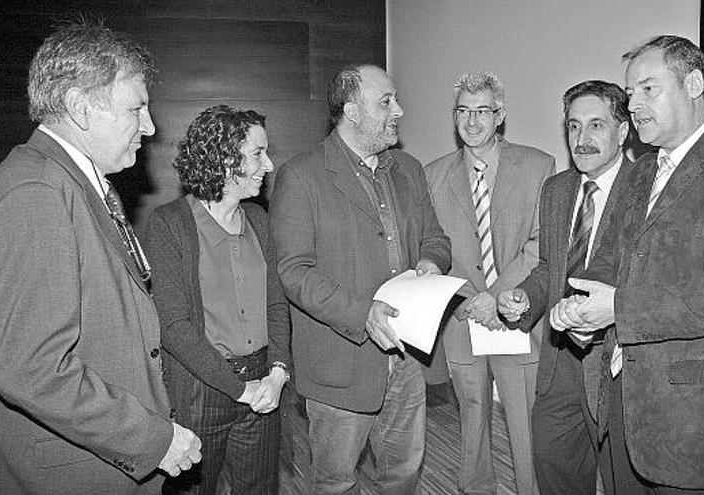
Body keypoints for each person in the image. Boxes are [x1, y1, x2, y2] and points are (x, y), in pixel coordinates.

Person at [550, 35, 704, 494]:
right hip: (620, 401)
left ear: (693, 83)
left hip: (694, 419)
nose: (632, 103)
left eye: (647, 89)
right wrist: (580, 309)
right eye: (630, 92)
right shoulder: (639, 170)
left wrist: (618, 307)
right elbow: (608, 261)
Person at [0, 20, 201, 494]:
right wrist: (154, 439)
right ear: (80, 107)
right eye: (137, 109)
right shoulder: (37, 192)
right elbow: (31, 367)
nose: (149, 128)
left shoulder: (73, 182)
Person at [270, 64, 451, 494]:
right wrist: (362, 314)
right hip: (340, 364)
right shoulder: (301, 176)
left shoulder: (408, 168)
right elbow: (293, 271)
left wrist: (430, 263)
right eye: (386, 102)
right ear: (351, 110)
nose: (399, 111)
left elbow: (436, 238)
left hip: (407, 358)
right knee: (334, 481)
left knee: (404, 472)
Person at [497, 80, 635, 495]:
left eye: (596, 125)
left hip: (618, 367)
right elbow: (549, 267)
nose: (582, 139)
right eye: (574, 127)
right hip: (558, 365)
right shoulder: (557, 189)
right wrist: (526, 296)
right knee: (554, 469)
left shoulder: (646, 191)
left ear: (623, 130)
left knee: (621, 482)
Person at [143, 105, 290, 494]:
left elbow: (276, 304)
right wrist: (239, 390)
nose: (269, 164)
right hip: (199, 391)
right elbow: (174, 328)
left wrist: (277, 373)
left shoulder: (258, 218)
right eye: (258, 153)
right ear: (225, 158)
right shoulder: (169, 224)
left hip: (263, 385)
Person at [425, 72, 554, 495]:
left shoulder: (538, 166)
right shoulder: (433, 175)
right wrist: (469, 300)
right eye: (463, 111)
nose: (472, 122)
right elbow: (434, 247)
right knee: (472, 416)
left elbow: (541, 244)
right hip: (462, 318)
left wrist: (496, 299)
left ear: (500, 116)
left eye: (482, 111)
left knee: (524, 418)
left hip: (516, 315)